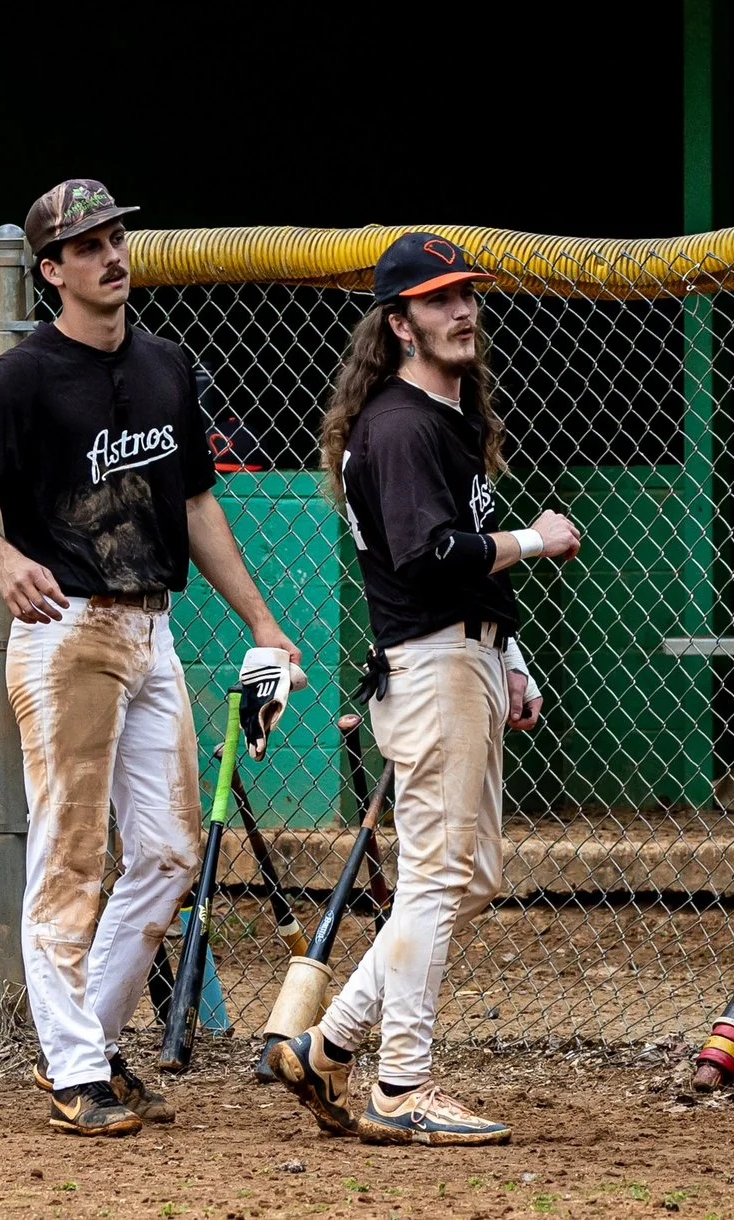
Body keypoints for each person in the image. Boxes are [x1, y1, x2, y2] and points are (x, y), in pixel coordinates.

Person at [0, 179, 298, 1137]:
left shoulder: (167, 364)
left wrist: (262, 622)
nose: (111, 254)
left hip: (152, 627)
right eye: (87, 244)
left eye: (116, 236)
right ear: (50, 270)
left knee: (174, 853)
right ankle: (74, 1069)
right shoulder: (16, 379)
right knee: (70, 853)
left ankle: (84, 1049)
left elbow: (194, 504)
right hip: (66, 629)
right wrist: (7, 560)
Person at [261, 232, 574, 1146]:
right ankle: (402, 1084)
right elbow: (432, 554)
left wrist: (509, 654)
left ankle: (324, 1047)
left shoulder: (447, 420)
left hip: (464, 656)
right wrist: (534, 540)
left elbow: (461, 568)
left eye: (466, 294)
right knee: (439, 877)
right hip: (430, 664)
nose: (462, 310)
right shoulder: (397, 425)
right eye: (438, 300)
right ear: (398, 324)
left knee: (467, 878)